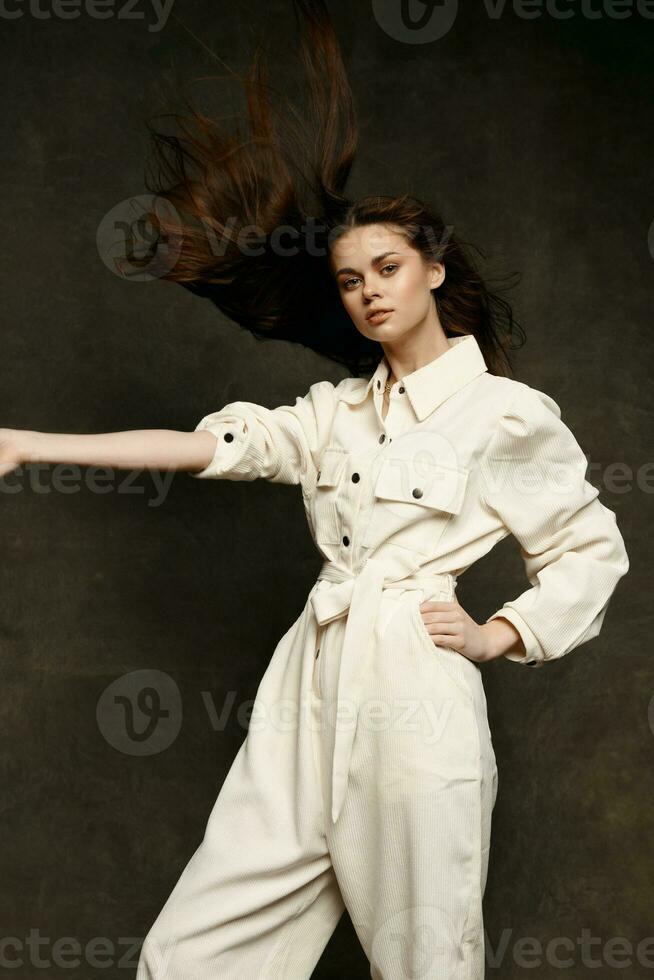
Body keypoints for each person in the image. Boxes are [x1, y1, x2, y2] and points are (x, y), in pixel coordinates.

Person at [0, 3, 629, 978]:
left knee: (427, 960)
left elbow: (590, 549)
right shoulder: (333, 413)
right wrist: (28, 443)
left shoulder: (504, 413)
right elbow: (208, 447)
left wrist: (500, 631)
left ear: (433, 268)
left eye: (387, 267)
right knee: (194, 952)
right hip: (311, 682)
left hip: (416, 698)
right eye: (348, 279)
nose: (369, 290)